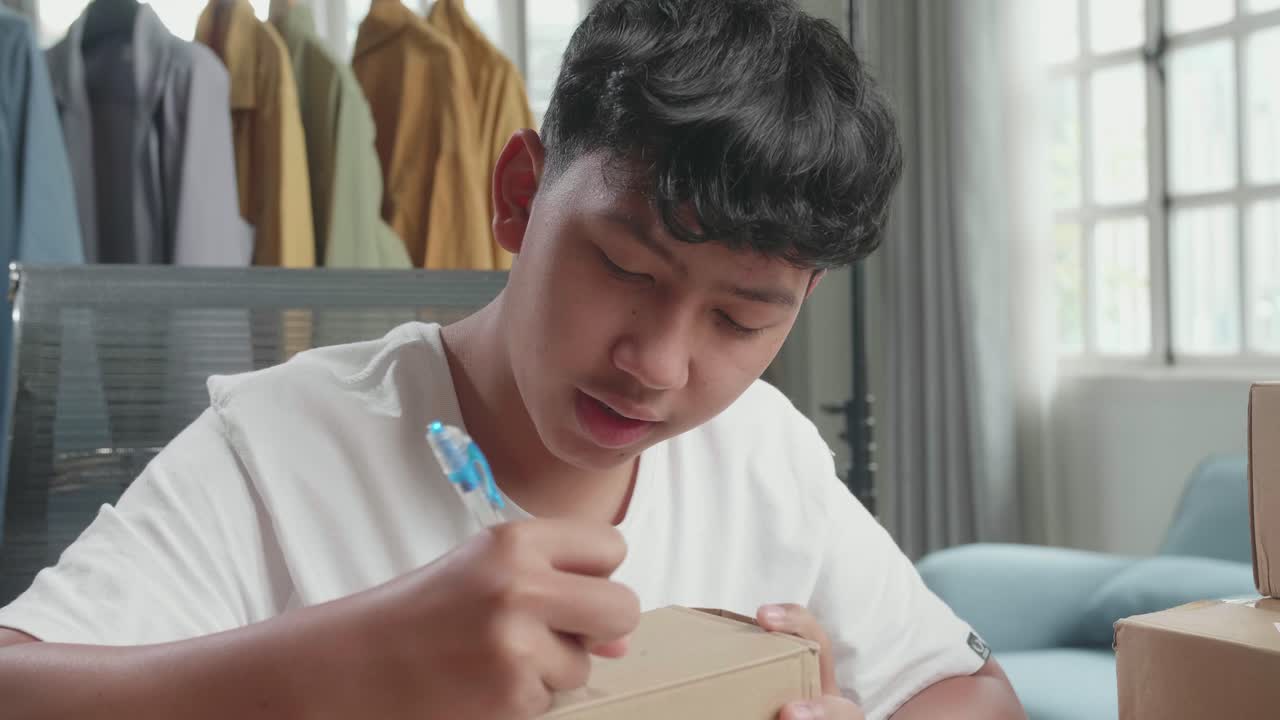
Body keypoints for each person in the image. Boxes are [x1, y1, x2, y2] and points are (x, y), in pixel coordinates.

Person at [0, 1, 1025, 718]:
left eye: (739, 321)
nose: (658, 365)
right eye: (625, 267)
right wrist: (347, 669)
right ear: (518, 195)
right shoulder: (280, 444)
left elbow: (966, 690)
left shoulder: (763, 452)